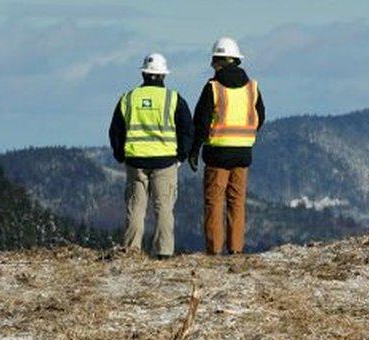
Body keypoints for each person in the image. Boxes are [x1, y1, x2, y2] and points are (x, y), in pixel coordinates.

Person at [109, 53, 193, 258]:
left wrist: (121, 155)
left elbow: (116, 130)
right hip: (165, 161)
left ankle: (131, 250)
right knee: (164, 208)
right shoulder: (173, 99)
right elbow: (187, 130)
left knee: (135, 208)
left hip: (135, 161)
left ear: (144, 74)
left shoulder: (128, 98)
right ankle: (163, 251)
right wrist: (181, 156)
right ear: (163, 75)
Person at [188, 37, 265, 255]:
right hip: (242, 154)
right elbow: (261, 116)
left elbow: (201, 122)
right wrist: (246, 136)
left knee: (214, 203)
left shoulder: (213, 88)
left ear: (218, 61)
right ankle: (236, 250)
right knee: (237, 202)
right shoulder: (252, 88)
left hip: (217, 154)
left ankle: (214, 251)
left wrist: (194, 151)